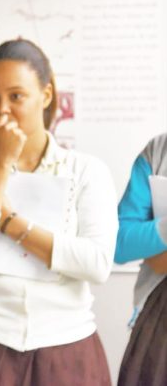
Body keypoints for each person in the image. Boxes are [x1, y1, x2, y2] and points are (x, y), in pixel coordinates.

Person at [0, 39, 117, 386]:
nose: (1, 110)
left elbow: (96, 264)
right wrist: (0, 162)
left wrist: (13, 226)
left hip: (65, 342)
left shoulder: (86, 170)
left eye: (16, 96)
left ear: (45, 96)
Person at [115, 133, 167, 385]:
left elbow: (157, 260)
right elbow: (121, 242)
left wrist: (157, 251)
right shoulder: (158, 150)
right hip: (160, 318)